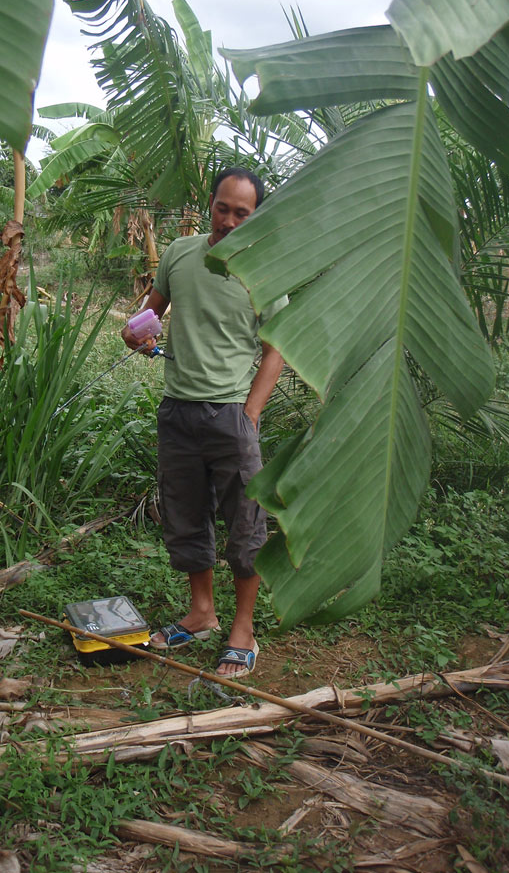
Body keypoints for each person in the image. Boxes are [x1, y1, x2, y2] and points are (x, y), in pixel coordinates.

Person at [121, 168, 287, 678]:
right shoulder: (179, 252)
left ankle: (242, 629)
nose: (230, 220)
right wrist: (137, 331)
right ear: (210, 203)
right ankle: (200, 613)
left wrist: (252, 412)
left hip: (232, 414)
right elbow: (154, 307)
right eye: (223, 208)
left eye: (243, 213)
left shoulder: (265, 270)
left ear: (256, 216)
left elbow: (276, 350)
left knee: (245, 525)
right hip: (178, 408)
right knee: (185, 515)